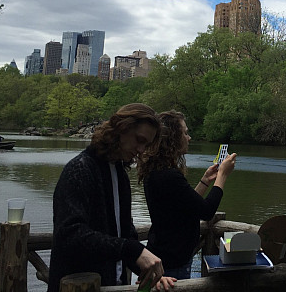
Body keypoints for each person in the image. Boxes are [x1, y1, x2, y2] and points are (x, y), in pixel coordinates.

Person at [48, 103, 176, 292]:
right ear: (121, 128)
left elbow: (124, 234)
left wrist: (149, 271)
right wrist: (131, 249)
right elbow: (69, 236)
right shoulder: (80, 169)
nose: (141, 150)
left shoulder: (119, 173)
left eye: (146, 144)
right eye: (139, 140)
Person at [138, 110, 237, 279]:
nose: (188, 137)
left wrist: (205, 180)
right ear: (173, 138)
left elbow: (187, 205)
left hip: (166, 256)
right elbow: (206, 211)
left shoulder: (158, 171)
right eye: (185, 133)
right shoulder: (168, 175)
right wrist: (222, 176)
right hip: (171, 263)